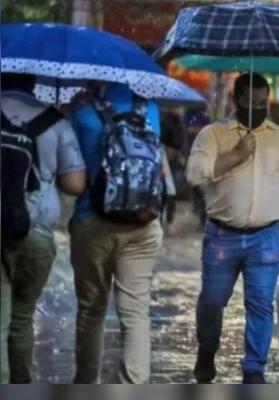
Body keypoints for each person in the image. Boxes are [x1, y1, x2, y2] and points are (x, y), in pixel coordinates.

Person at [186, 72, 279, 384]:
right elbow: (194, 175)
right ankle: (207, 350)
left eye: (263, 102)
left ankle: (254, 368)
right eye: (251, 102)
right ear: (236, 99)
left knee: (260, 303)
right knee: (212, 301)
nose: (258, 107)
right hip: (221, 236)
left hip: (266, 236)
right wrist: (236, 156)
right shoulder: (213, 134)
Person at [68, 82, 164, 384]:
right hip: (143, 223)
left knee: (91, 310)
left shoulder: (83, 114)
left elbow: (73, 178)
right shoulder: (150, 110)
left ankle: (86, 383)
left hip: (93, 222)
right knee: (135, 313)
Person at [0, 73, 87, 384]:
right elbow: (75, 185)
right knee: (21, 319)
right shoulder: (55, 122)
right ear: (33, 81)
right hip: (34, 230)